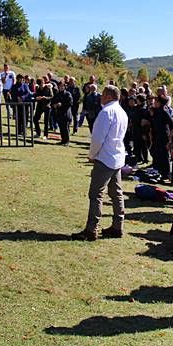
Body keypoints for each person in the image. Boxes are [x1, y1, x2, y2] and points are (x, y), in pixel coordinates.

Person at [72, 85, 129, 241]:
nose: (100, 97)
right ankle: (118, 226)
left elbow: (97, 138)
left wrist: (92, 155)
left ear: (108, 96)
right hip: (116, 157)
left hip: (105, 158)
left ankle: (92, 229)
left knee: (96, 194)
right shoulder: (122, 112)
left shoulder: (106, 112)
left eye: (103, 94)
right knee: (116, 193)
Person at [149, 96, 173, 179]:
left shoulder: (164, 111)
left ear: (160, 103)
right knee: (156, 154)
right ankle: (158, 171)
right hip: (156, 136)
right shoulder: (155, 111)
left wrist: (170, 138)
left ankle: (166, 173)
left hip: (163, 136)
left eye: (156, 101)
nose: (154, 102)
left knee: (164, 155)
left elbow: (172, 124)